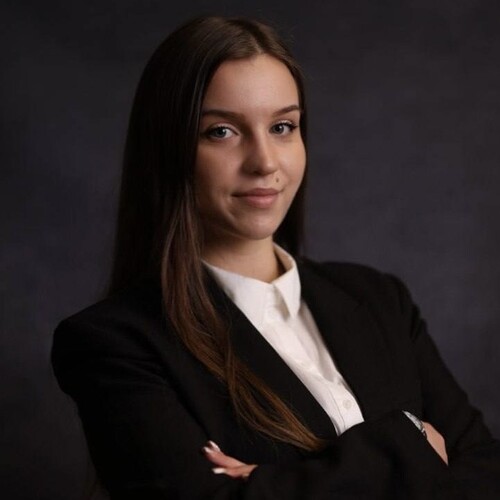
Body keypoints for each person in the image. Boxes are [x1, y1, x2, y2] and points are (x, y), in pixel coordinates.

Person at [52, 15, 500, 499]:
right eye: (222, 131)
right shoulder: (116, 344)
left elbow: (485, 469)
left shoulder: (380, 300)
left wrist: (269, 484)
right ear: (168, 147)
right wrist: (410, 441)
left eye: (282, 126)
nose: (265, 161)